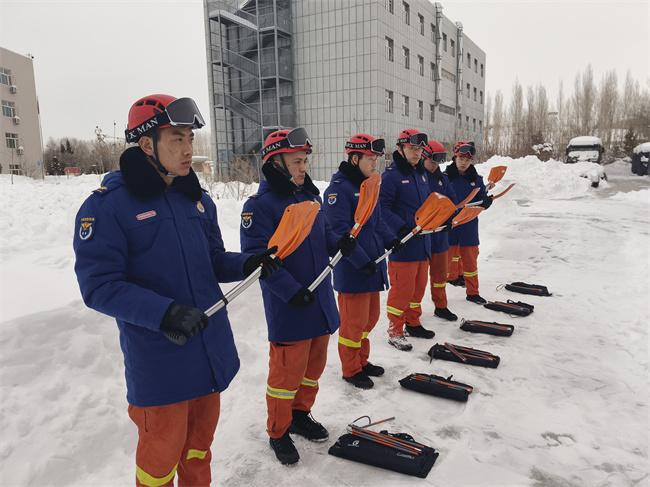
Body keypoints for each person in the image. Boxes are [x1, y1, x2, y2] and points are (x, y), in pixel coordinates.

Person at [73, 94, 280, 487]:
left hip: (209, 350)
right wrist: (164, 312)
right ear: (146, 144)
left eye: (190, 138)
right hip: (160, 361)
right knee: (159, 463)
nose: (189, 150)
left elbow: (212, 259)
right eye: (177, 139)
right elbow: (100, 286)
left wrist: (247, 263)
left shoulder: (196, 200)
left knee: (198, 450)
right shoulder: (108, 207)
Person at [240, 128, 357, 465]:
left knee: (313, 368)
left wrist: (339, 243)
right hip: (289, 306)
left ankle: (300, 414)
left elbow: (326, 235)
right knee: (286, 376)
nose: (304, 167)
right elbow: (257, 260)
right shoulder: (260, 207)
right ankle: (278, 430)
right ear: (275, 163)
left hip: (319, 301)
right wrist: (291, 292)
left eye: (305, 161)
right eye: (296, 162)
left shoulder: (311, 198)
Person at [323, 134, 404, 389]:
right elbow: (339, 232)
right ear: (355, 159)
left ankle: (361, 360)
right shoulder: (339, 189)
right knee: (353, 323)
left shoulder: (369, 186)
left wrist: (392, 239)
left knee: (369, 319)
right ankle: (351, 369)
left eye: (376, 159)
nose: (374, 163)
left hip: (373, 266)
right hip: (353, 270)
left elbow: (377, 223)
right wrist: (360, 261)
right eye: (370, 158)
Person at [379, 128, 436, 352]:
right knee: (402, 291)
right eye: (412, 148)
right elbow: (382, 209)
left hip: (423, 244)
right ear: (400, 148)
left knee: (418, 289)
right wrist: (401, 228)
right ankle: (395, 331)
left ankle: (413, 323)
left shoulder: (421, 174)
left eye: (419, 149)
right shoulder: (391, 176)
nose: (417, 152)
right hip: (403, 244)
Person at [445, 141, 492, 304]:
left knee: (471, 265)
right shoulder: (444, 178)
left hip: (468, 228)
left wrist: (486, 203)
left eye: (468, 160)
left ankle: (473, 292)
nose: (464, 163)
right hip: (448, 228)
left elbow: (481, 201)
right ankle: (439, 298)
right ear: (455, 158)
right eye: (461, 159)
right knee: (443, 265)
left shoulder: (476, 180)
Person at [422, 140, 459, 321]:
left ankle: (441, 306)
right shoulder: (417, 178)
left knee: (440, 275)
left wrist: (449, 219)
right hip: (421, 237)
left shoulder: (442, 179)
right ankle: (411, 316)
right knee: (417, 281)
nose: (435, 165)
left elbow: (452, 202)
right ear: (423, 157)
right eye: (432, 161)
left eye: (438, 162)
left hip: (440, 237)